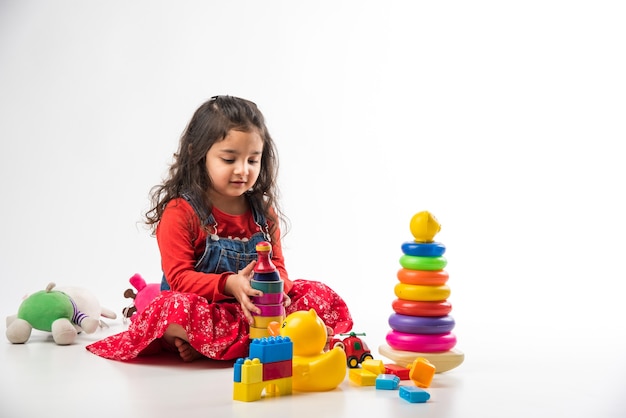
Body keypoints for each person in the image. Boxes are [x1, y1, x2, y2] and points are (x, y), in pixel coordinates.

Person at [86, 95, 353, 362]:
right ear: (198, 153)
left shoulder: (264, 215)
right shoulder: (181, 212)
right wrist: (230, 284)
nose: (242, 170)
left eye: (252, 160)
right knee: (171, 309)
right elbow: (179, 278)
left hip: (254, 311)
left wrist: (278, 290)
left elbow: (279, 265)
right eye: (229, 159)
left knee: (315, 293)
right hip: (204, 311)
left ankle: (226, 343)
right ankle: (229, 339)